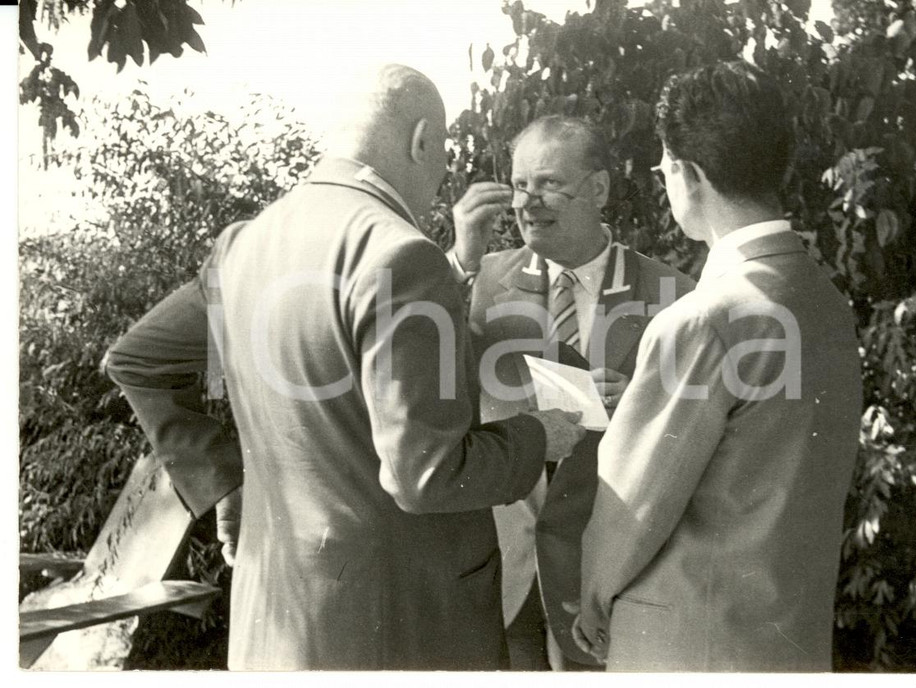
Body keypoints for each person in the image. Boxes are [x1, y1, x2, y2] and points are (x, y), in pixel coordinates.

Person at [103, 64, 586, 670]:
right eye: (439, 161)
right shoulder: (401, 254)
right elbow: (428, 476)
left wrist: (225, 482)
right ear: (420, 142)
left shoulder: (241, 246)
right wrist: (542, 433)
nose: (436, 185)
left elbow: (138, 362)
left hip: (273, 627)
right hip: (401, 630)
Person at [572, 61, 863, 671]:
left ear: (689, 173)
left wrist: (593, 602)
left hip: (685, 648)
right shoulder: (827, 304)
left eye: (663, 169)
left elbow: (629, 509)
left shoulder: (704, 320)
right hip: (789, 644)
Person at [447, 115, 694, 670]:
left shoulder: (672, 292)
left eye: (549, 183)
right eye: (518, 185)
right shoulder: (480, 277)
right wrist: (460, 259)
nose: (528, 201)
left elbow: (696, 441)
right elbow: (411, 354)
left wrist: (640, 403)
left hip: (605, 581)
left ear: (599, 189)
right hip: (500, 574)